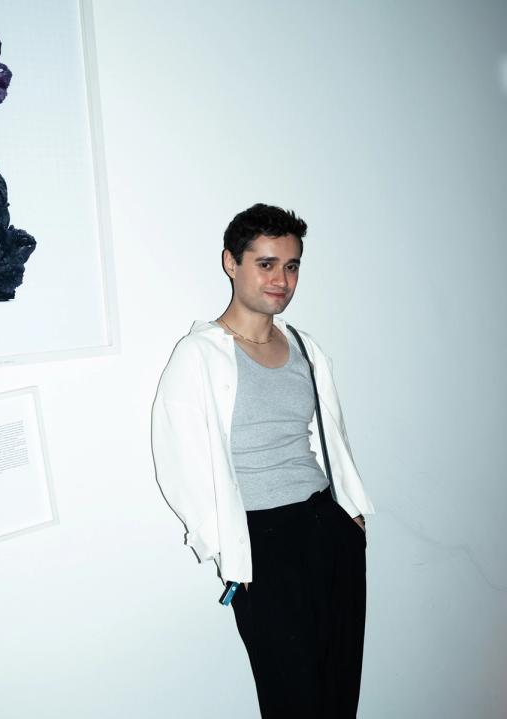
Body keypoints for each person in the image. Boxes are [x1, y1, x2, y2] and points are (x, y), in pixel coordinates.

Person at [151, 203, 375, 718]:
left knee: (340, 689)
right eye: (267, 264)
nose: (282, 280)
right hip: (262, 541)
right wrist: (225, 550)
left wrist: (350, 513)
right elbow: (176, 462)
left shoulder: (303, 347)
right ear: (231, 262)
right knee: (291, 698)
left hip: (328, 526)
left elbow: (330, 435)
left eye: (292, 266)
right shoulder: (199, 354)